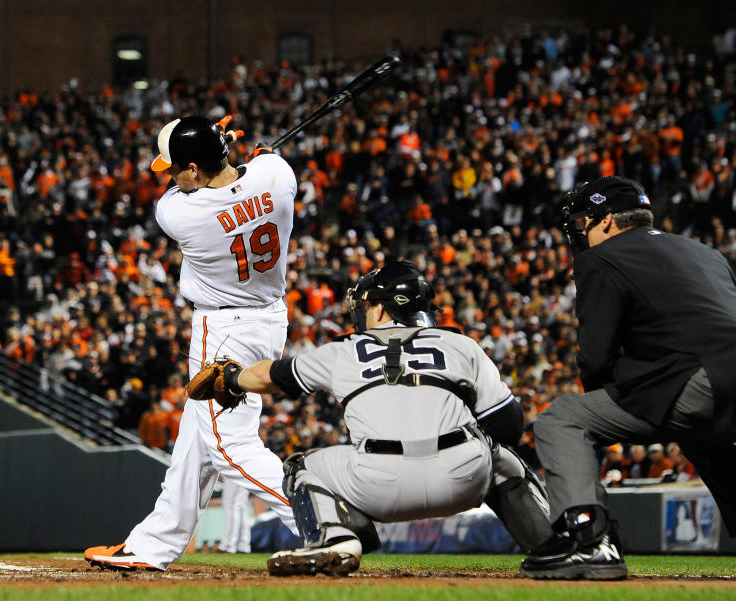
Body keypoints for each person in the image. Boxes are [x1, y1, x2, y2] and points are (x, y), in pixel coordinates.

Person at [522, 176, 736, 582]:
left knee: (563, 417)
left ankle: (589, 539)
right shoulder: (702, 250)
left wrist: (609, 404)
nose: (578, 232)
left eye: (582, 222)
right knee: (709, 435)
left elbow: (596, 356)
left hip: (699, 375)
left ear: (606, 221)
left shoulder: (601, 257)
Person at [218, 261, 554, 576]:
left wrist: (232, 377)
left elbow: (268, 376)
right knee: (500, 455)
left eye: (365, 306)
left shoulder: (344, 350)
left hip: (377, 485)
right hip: (462, 478)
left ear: (379, 307)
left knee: (302, 466)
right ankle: (553, 547)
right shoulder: (459, 344)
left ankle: (336, 539)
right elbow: (510, 425)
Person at [85, 115, 298, 570]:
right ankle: (153, 545)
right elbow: (258, 166)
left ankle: (322, 516)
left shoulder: (179, 213)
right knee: (196, 443)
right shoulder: (279, 176)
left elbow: (197, 188)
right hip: (269, 318)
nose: (171, 175)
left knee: (227, 445)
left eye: (176, 168)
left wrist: (233, 149)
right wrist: (242, 153)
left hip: (223, 329)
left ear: (195, 170)